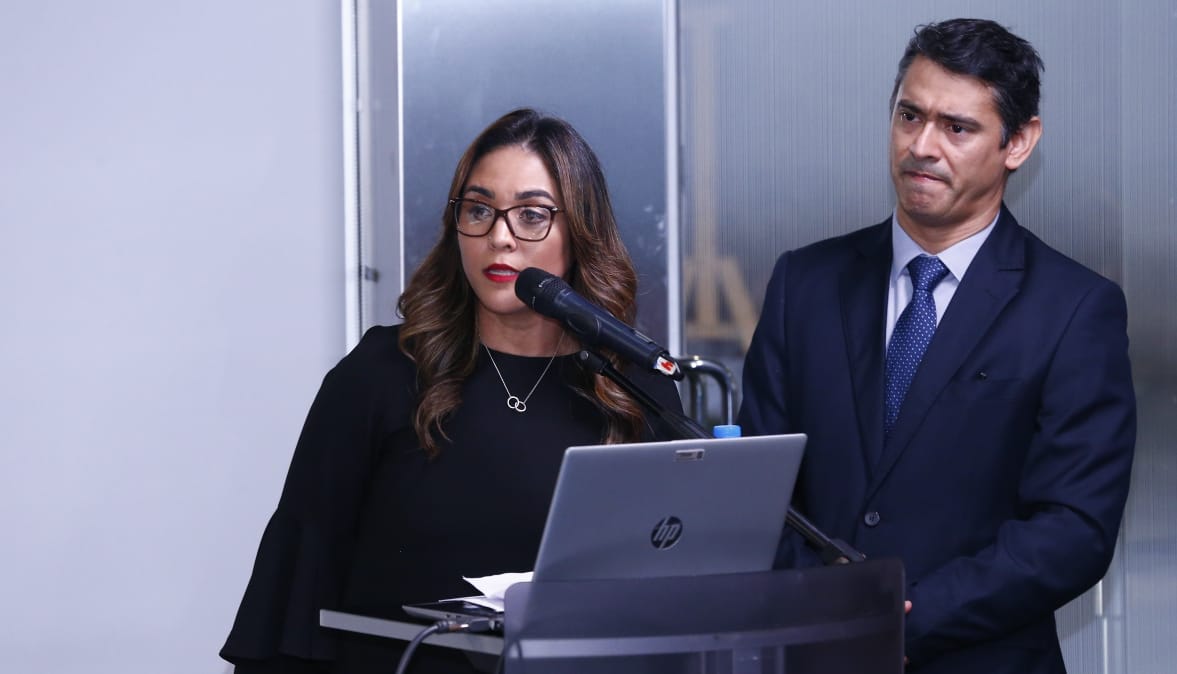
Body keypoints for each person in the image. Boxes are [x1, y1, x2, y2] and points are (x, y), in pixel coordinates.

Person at [220, 108, 683, 673]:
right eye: (479, 210)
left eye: (531, 215)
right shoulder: (380, 374)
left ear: (580, 231)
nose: (499, 237)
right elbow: (296, 583)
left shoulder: (634, 388)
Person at [738, 18, 1135, 674]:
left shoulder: (1073, 308)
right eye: (909, 116)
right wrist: (825, 611)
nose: (921, 146)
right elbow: (757, 491)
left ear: (1018, 142)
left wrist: (901, 620)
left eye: (957, 127)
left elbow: (1073, 528)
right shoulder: (803, 284)